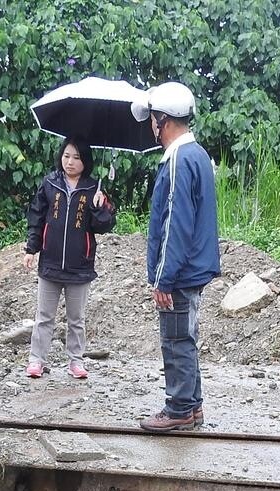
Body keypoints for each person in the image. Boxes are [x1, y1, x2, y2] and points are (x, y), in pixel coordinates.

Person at [130, 82, 221, 432]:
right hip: (192, 268)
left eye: (153, 119)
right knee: (186, 337)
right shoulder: (196, 155)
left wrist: (163, 277)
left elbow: (175, 224)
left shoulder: (179, 160)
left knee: (176, 340)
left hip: (180, 273)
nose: (151, 126)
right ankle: (192, 406)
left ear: (163, 120)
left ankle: (179, 409)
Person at [23, 137, 116, 379]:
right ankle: (37, 360)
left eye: (76, 157)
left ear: (85, 161)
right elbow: (36, 217)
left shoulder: (93, 189)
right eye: (66, 156)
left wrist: (100, 207)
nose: (70, 162)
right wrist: (31, 249)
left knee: (76, 319)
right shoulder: (50, 184)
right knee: (44, 317)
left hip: (80, 265)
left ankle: (76, 361)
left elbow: (104, 226)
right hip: (50, 262)